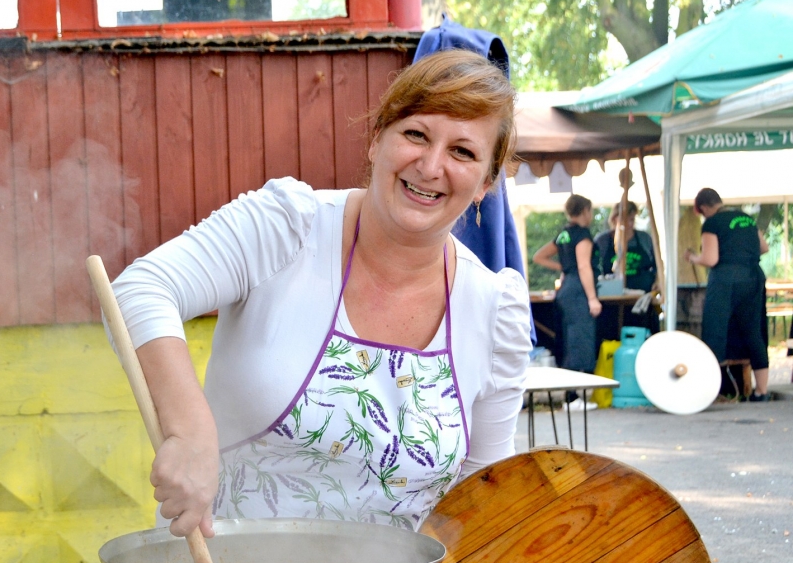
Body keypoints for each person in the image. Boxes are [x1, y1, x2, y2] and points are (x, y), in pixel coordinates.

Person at [111, 50, 532, 535]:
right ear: (377, 139)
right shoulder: (287, 228)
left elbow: (483, 496)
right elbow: (140, 289)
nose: (431, 165)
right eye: (416, 134)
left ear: (486, 183)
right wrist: (189, 429)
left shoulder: (494, 309)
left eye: (463, 152)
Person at [685, 188, 770, 401]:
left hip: (725, 280)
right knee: (753, 332)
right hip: (753, 276)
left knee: (715, 330)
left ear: (704, 208)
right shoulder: (746, 218)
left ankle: (713, 391)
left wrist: (694, 258)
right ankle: (762, 391)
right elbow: (764, 247)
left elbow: (711, 259)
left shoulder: (712, 223)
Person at [531, 195, 600, 377]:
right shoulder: (582, 235)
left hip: (565, 289)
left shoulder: (564, 234)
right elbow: (584, 266)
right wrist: (592, 299)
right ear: (585, 211)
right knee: (581, 339)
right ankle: (578, 394)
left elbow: (538, 256)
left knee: (568, 339)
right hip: (579, 289)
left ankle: (571, 391)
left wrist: (564, 267)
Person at [594, 201, 659, 332]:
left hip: (641, 299)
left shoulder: (644, 239)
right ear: (614, 218)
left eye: (632, 219)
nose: (629, 224)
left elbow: (657, 265)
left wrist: (658, 282)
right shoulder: (603, 241)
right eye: (625, 219)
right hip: (612, 299)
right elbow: (592, 265)